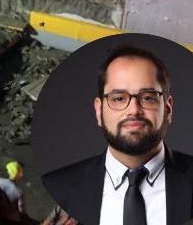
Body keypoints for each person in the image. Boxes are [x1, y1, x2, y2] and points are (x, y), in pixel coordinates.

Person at [41, 45, 193, 225]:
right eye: (119, 98)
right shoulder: (61, 187)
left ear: (168, 109)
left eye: (148, 97)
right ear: (99, 111)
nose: (133, 110)